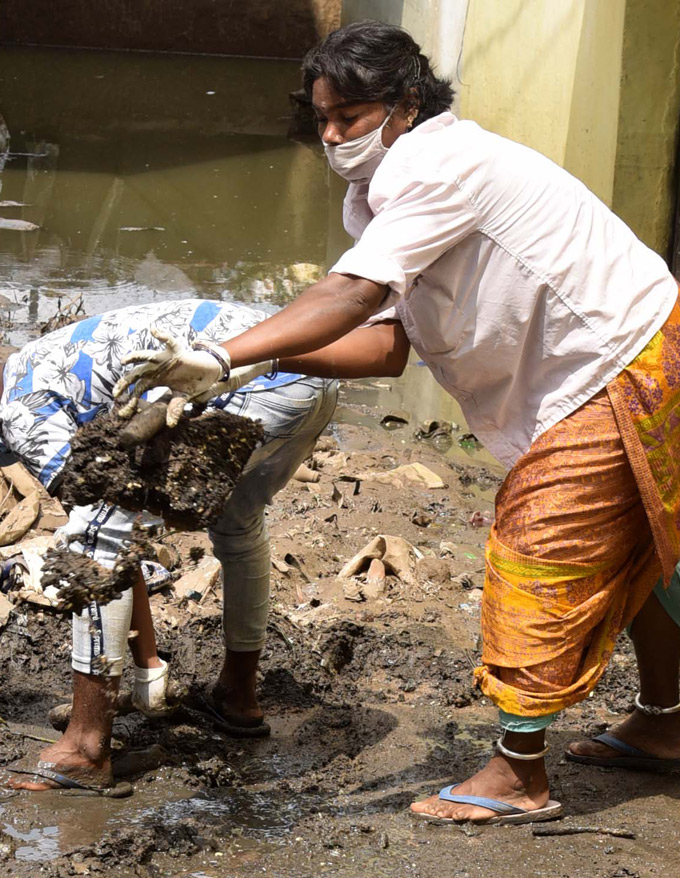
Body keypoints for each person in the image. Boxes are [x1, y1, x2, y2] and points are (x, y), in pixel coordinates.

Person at [116, 21, 680, 824]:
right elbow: (387, 346)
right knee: (640, 553)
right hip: (615, 358)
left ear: (407, 102)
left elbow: (348, 297)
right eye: (323, 119)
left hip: (618, 361)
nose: (334, 135)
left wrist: (218, 354)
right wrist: (256, 365)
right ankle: (665, 726)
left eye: (350, 115)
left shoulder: (439, 165)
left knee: (537, 550)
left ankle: (519, 774)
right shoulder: (382, 193)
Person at [0, 299, 341, 793]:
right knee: (237, 525)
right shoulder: (46, 359)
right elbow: (119, 524)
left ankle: (85, 748)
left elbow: (100, 537)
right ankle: (236, 697)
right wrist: (147, 671)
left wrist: (142, 672)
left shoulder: (21, 407)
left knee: (89, 542)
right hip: (309, 371)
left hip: (246, 380)